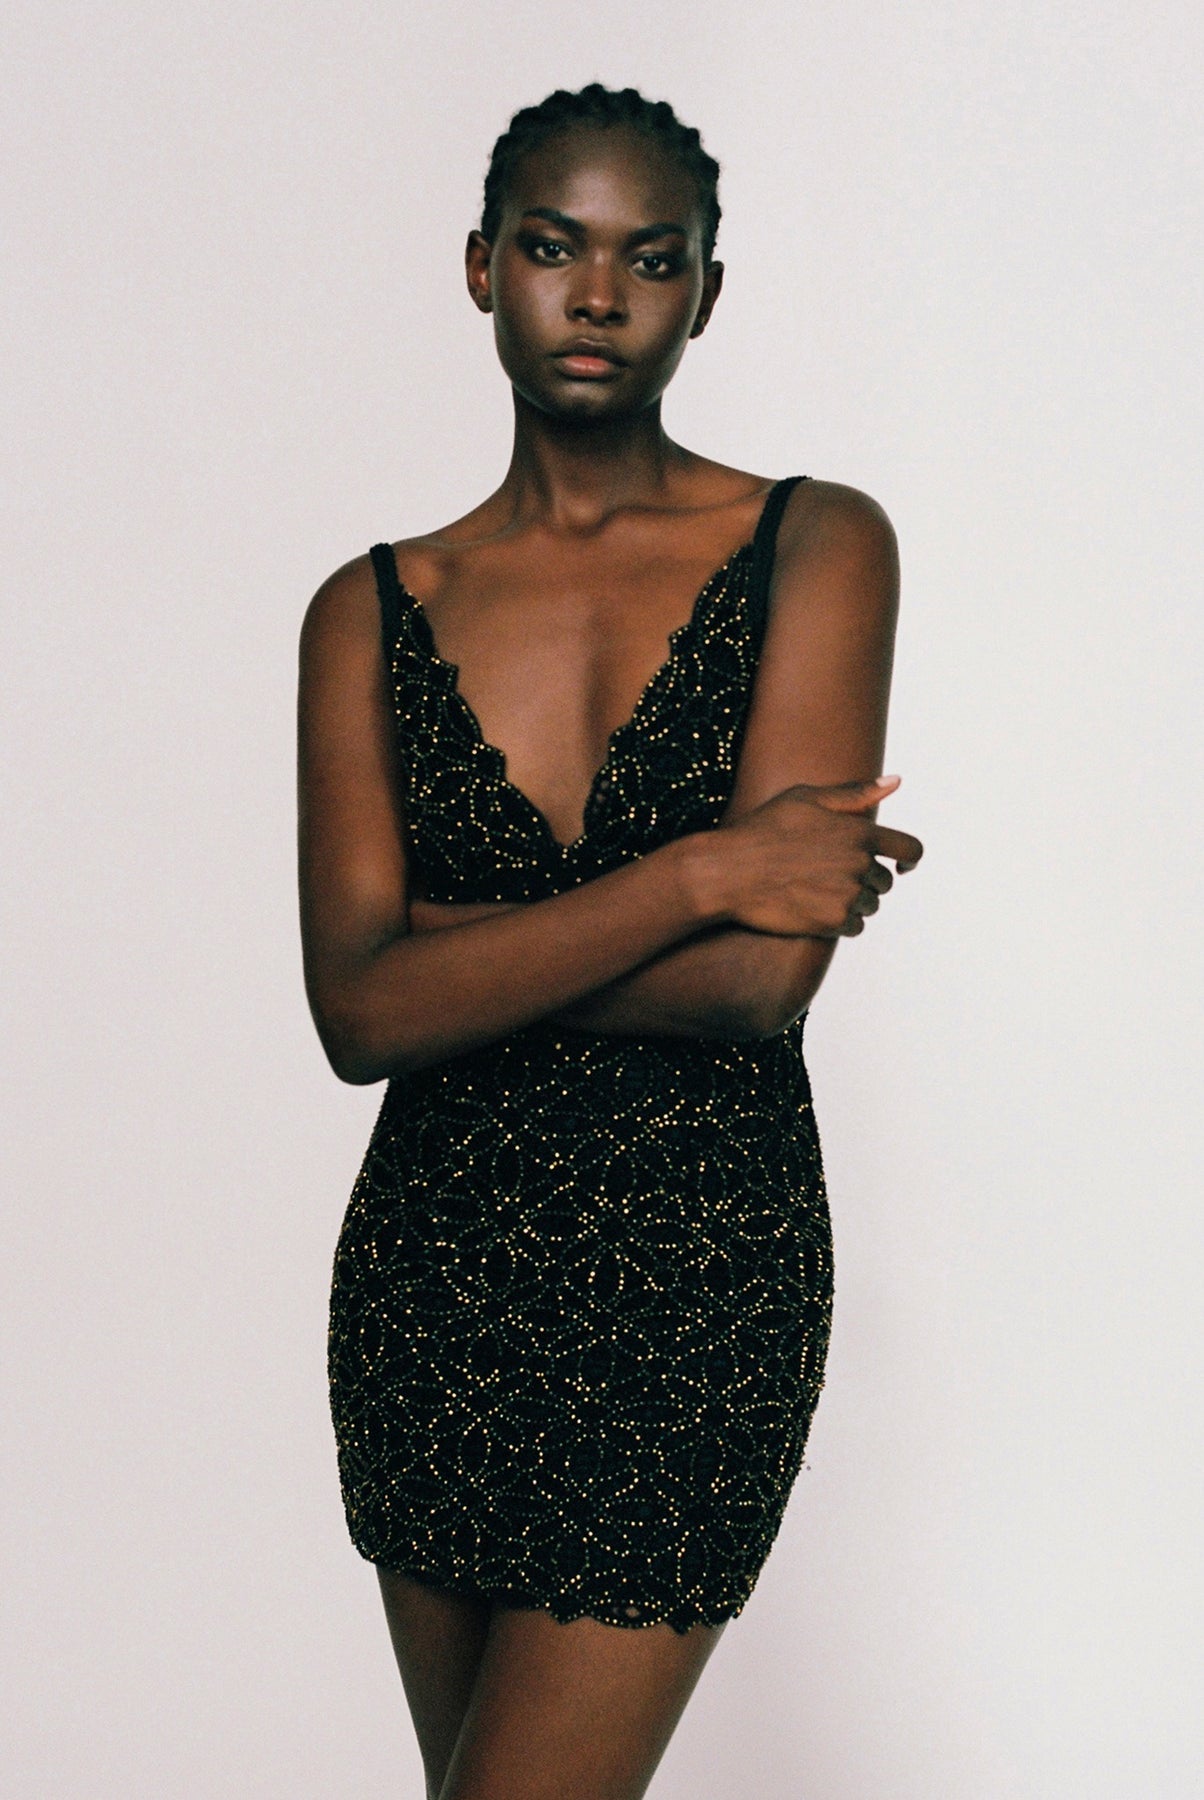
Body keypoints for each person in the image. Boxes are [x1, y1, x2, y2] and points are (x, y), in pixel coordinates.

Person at [298, 81, 923, 1800]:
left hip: (701, 1289)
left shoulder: (817, 542)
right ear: (481, 267)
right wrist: (705, 867)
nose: (597, 295)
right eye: (554, 249)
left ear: (705, 294)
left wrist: (444, 948)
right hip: (434, 1287)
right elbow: (359, 1015)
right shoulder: (367, 610)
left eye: (652, 259)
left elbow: (760, 985)